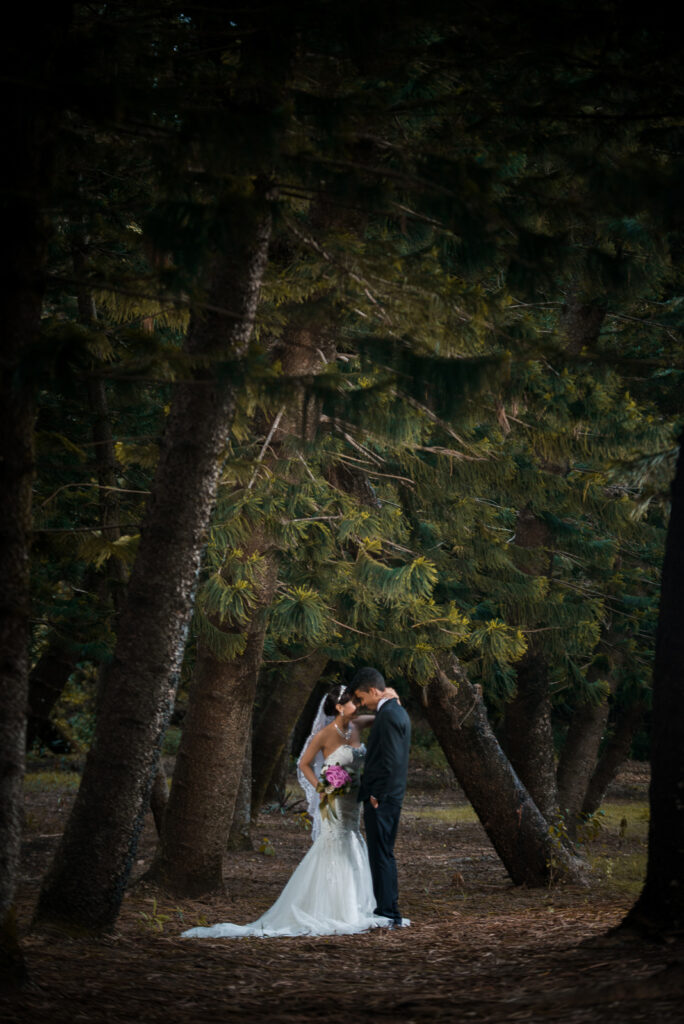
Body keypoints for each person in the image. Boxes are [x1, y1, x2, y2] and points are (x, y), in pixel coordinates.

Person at [181, 684, 396, 939]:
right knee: (335, 843)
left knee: (350, 839)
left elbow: (383, 715)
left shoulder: (355, 726)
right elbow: (303, 764)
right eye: (352, 702)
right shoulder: (325, 734)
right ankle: (334, 908)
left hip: (352, 799)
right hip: (333, 798)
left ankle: (353, 906)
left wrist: (390, 699)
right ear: (339, 706)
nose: (357, 706)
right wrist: (320, 787)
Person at [352, 666, 411, 929]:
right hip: (389, 795)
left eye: (362, 698)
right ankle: (387, 909)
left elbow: (390, 760)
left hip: (383, 797)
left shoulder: (388, 715)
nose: (362, 704)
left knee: (381, 854)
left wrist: (377, 794)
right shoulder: (393, 710)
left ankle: (388, 912)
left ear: (374, 691)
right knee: (382, 852)